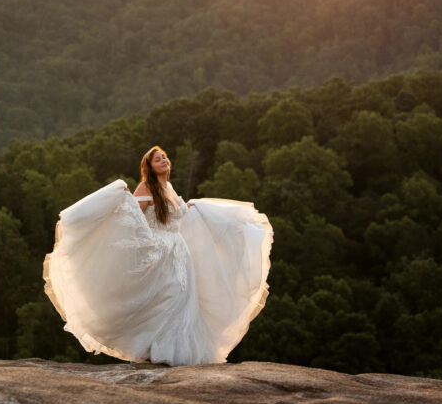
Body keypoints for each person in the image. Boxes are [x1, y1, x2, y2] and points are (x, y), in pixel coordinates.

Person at [43, 145, 273, 365]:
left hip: (179, 252)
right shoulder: (146, 188)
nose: (163, 160)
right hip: (160, 251)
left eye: (164, 156)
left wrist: (192, 208)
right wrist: (146, 242)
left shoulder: (169, 188)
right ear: (150, 166)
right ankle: (157, 349)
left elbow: (177, 217)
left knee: (183, 298)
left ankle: (173, 349)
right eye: (158, 159)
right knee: (168, 298)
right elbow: (134, 220)